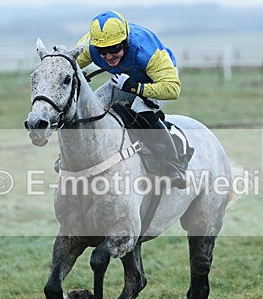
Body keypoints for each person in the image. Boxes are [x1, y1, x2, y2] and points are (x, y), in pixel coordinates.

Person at [76, 10, 187, 189]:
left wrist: (135, 87)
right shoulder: (89, 45)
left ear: (125, 42)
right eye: (102, 52)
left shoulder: (147, 51)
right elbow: (67, 64)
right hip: (123, 80)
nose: (108, 56)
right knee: (92, 109)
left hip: (159, 82)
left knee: (140, 110)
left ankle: (174, 165)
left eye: (114, 49)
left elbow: (173, 89)